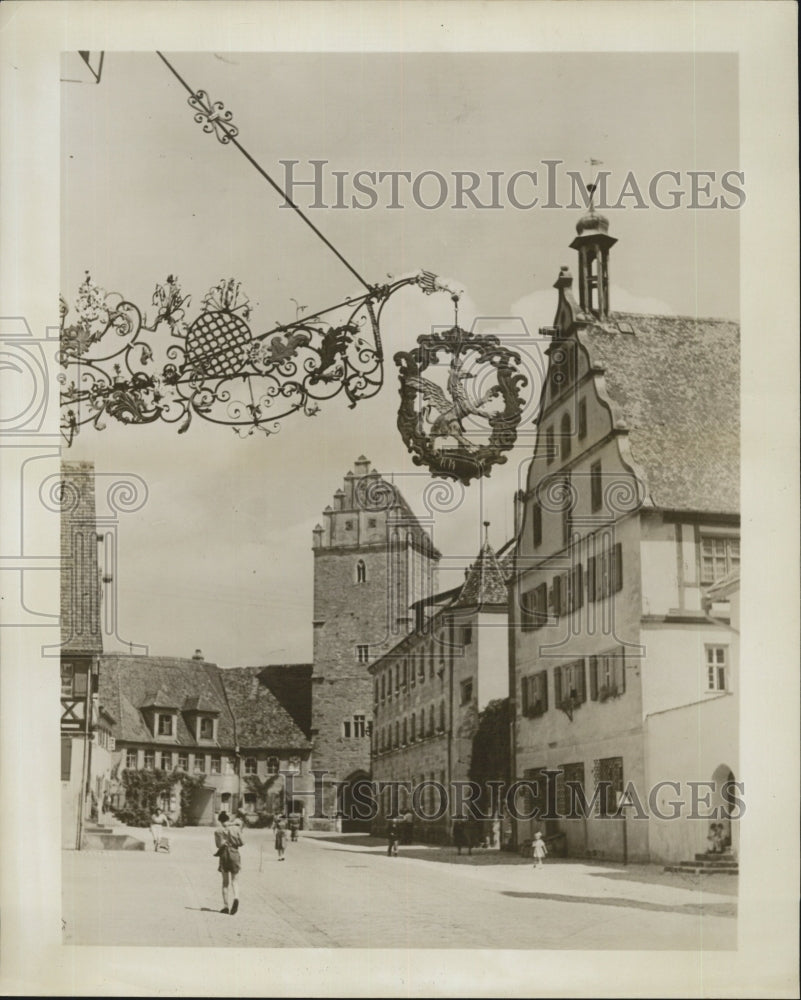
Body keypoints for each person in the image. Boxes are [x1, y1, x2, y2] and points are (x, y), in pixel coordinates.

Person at [214, 810, 244, 914]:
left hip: (224, 855)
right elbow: (242, 842)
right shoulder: (236, 829)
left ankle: (225, 906)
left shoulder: (218, 831)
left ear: (220, 821)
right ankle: (236, 897)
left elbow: (218, 845)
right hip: (234, 854)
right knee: (235, 881)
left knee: (225, 882)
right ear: (228, 819)